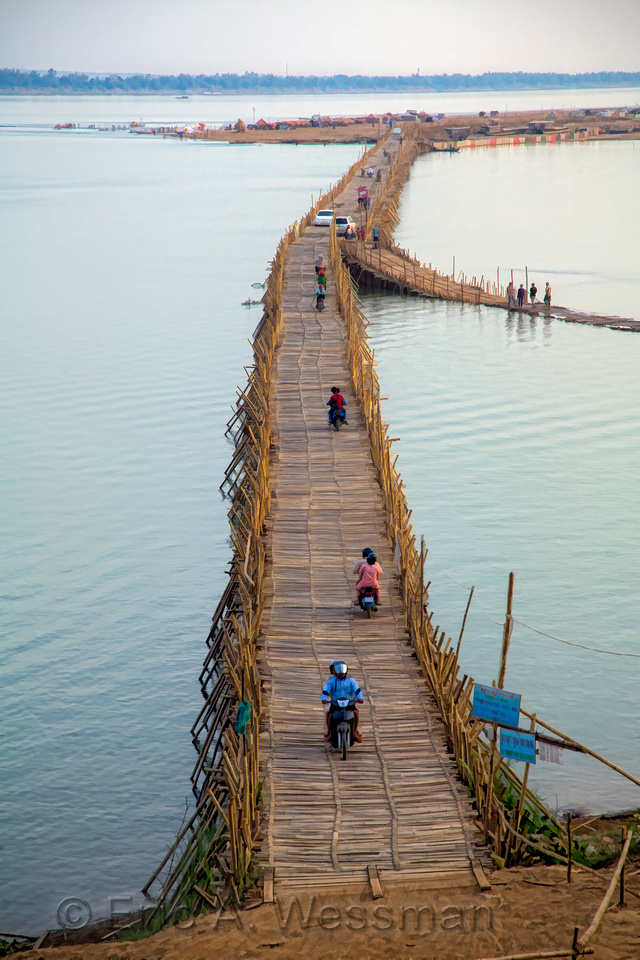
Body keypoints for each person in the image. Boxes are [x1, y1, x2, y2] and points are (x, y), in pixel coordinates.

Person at [322, 661, 364, 743]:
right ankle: (329, 731)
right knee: (329, 713)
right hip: (335, 703)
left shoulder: (350, 680)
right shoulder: (331, 681)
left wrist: (360, 698)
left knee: (356, 712)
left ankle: (355, 731)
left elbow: (357, 689)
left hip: (349, 703)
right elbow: (325, 690)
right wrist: (324, 698)